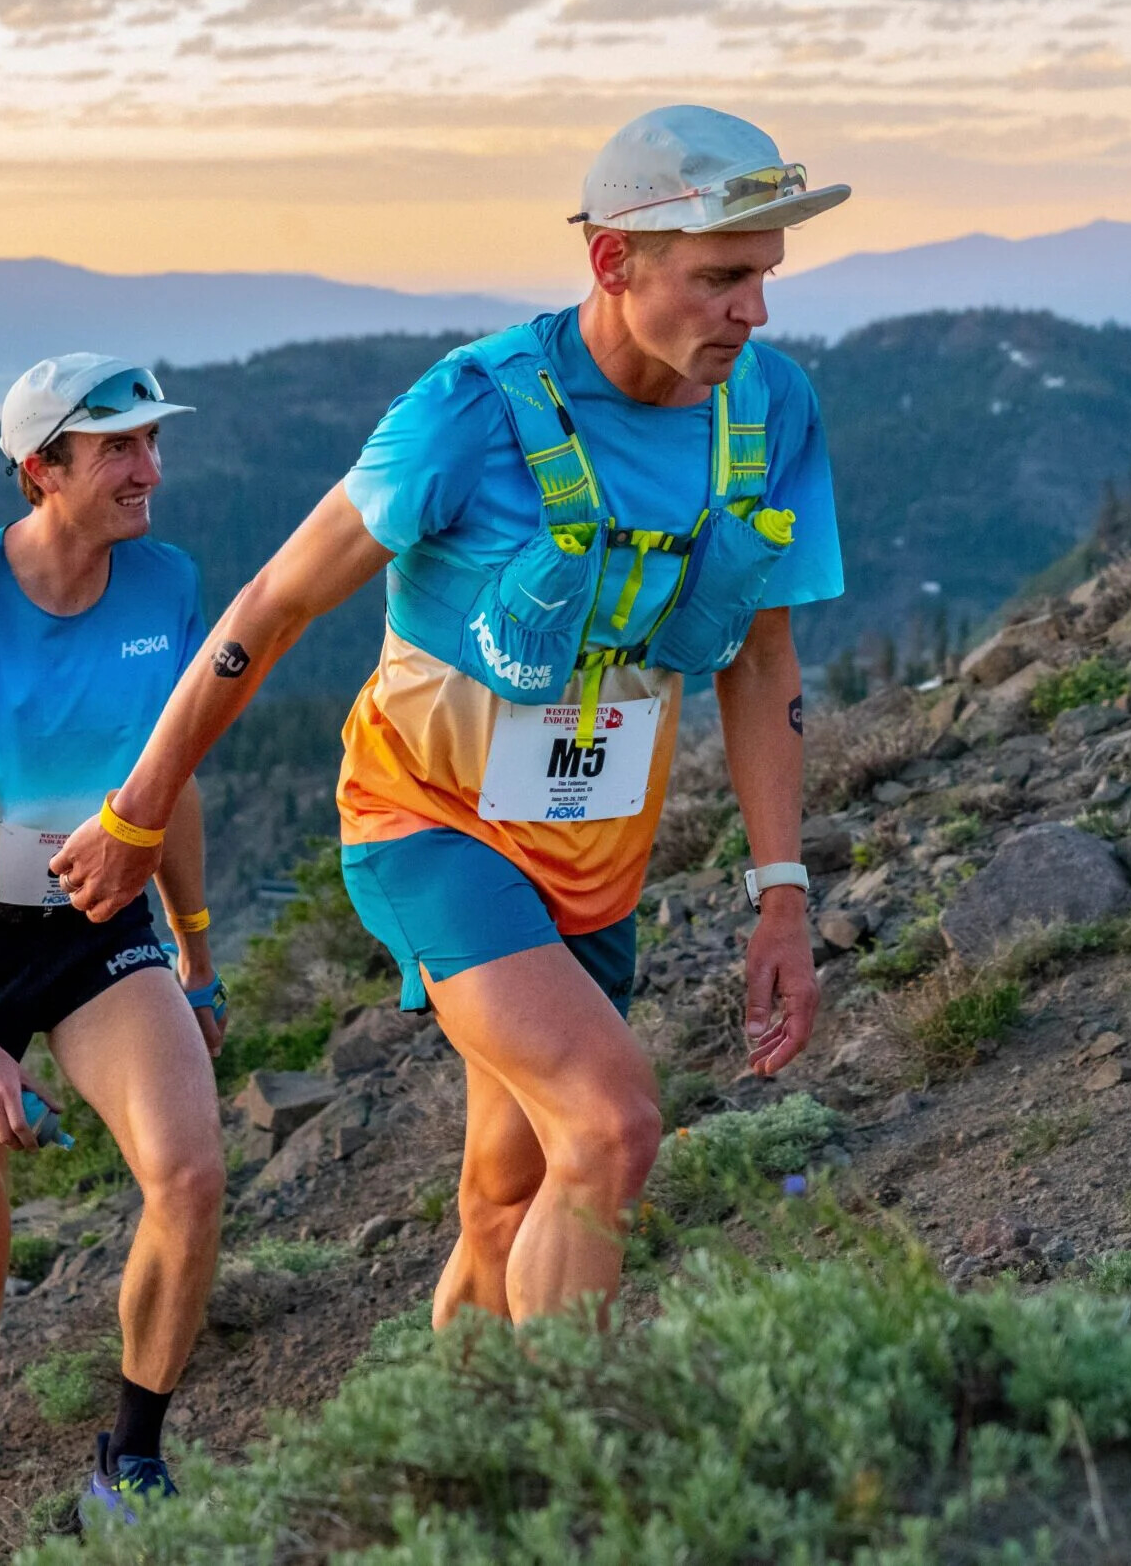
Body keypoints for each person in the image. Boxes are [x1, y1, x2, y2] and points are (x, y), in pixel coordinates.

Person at [54, 106, 847, 1328]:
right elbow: (273, 605)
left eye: (763, 278)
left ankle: (451, 1432)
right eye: (720, 279)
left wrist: (781, 895)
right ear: (612, 261)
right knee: (612, 1124)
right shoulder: (469, 413)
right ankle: (569, 1439)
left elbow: (760, 656)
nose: (754, 312)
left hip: (594, 855)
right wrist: (138, 812)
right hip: (427, 824)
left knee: (506, 1197)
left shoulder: (770, 410)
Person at [0, 353, 229, 1565]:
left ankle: (132, 1457)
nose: (148, 468)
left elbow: (169, 783)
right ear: (41, 471)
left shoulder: (168, 584)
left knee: (190, 1176)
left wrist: (195, 950)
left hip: (97, 923)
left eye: (152, 443)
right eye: (118, 447)